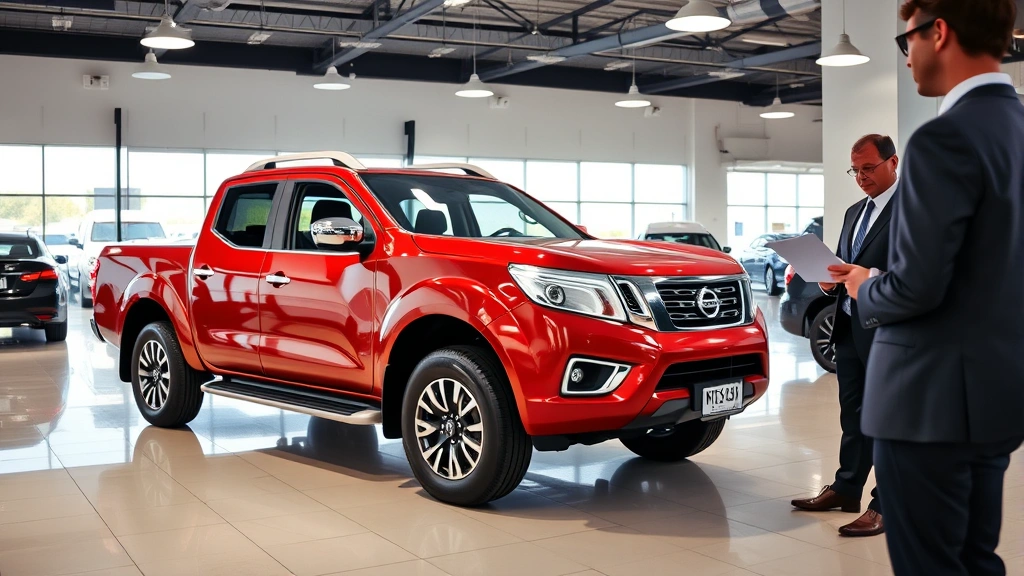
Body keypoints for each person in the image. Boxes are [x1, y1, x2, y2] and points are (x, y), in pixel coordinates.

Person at [829, 0, 1024, 573]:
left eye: (905, 40)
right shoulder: (1015, 127)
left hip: (929, 402)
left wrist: (866, 284)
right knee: (974, 558)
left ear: (937, 33)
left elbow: (915, 288)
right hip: (995, 395)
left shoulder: (945, 138)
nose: (907, 56)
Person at [790, 134, 897, 538]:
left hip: (890, 332)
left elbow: (918, 274)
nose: (861, 177)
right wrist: (827, 282)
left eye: (869, 168)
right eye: (855, 170)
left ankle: (885, 505)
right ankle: (847, 488)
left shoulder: (916, 209)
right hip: (850, 328)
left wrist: (868, 278)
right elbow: (842, 265)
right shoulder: (854, 212)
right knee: (853, 417)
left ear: (893, 162)